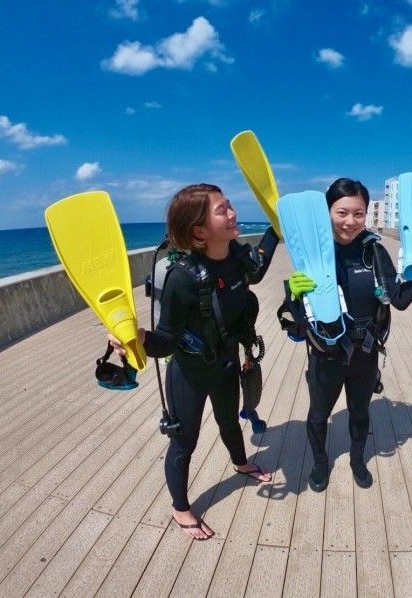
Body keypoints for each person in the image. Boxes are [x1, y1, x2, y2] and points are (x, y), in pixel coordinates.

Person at [109, 183, 278, 540]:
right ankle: (180, 507)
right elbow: (166, 340)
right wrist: (136, 340)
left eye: (230, 205)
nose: (232, 213)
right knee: (185, 442)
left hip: (228, 362)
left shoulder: (236, 254)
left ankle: (241, 462)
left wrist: (275, 227)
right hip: (190, 371)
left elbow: (258, 269)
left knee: (230, 421)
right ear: (199, 231)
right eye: (223, 210)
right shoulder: (182, 278)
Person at [283, 178, 412, 492]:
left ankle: (357, 459)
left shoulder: (373, 252)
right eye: (342, 212)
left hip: (365, 353)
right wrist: (293, 294)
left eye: (359, 213)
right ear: (326, 212)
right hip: (326, 354)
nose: (350, 221)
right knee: (318, 416)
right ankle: (319, 463)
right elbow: (299, 325)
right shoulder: (312, 256)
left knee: (359, 412)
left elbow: (399, 299)